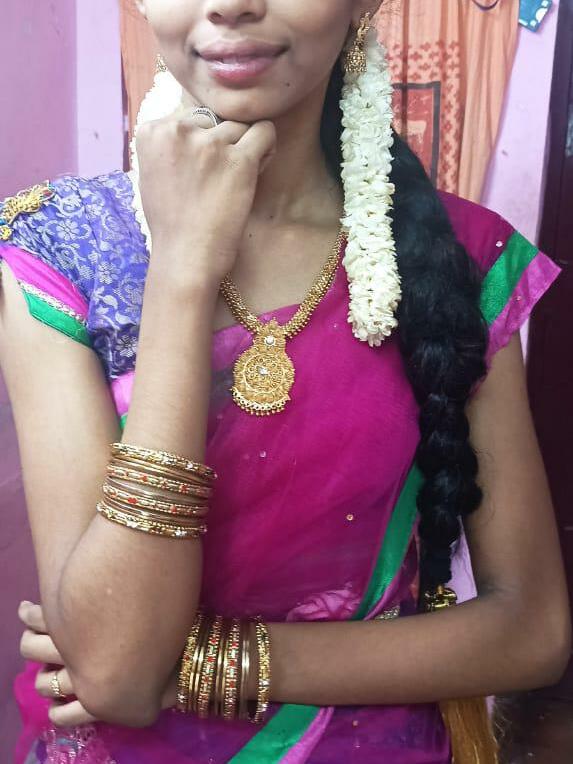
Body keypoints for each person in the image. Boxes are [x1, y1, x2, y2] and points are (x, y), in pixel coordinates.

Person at [0, 1, 570, 763]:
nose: (229, 2)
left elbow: (530, 631)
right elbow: (116, 675)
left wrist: (203, 662)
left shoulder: (462, 258)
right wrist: (182, 269)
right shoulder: (58, 249)